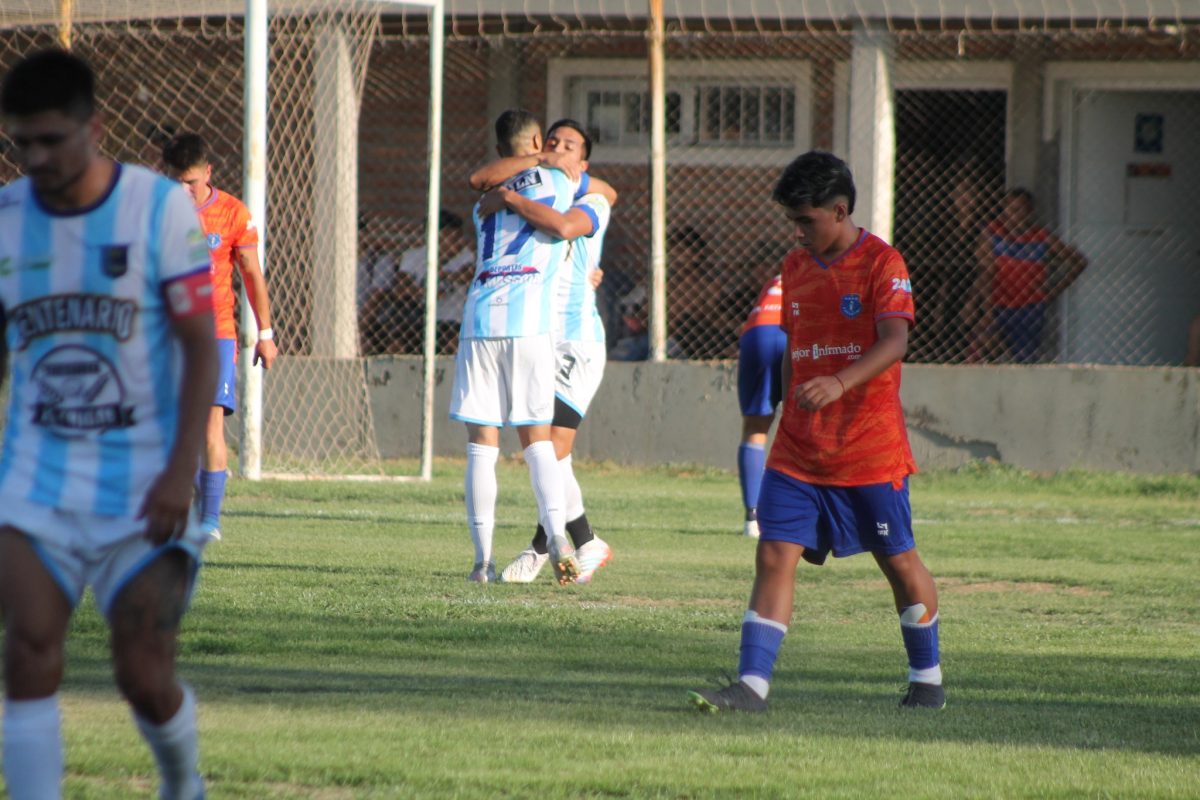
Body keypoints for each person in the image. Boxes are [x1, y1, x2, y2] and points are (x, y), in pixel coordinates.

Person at [0, 49, 218, 798]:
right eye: (20, 143)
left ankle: (184, 783)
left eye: (50, 140)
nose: (35, 158)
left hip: (144, 487)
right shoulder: (5, 221)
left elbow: (200, 349)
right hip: (35, 483)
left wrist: (180, 470)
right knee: (29, 653)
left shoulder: (157, 209)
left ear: (92, 127)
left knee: (141, 673)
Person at [689, 151, 945, 713]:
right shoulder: (795, 266)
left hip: (868, 450)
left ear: (840, 208)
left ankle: (927, 680)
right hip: (798, 449)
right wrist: (786, 406)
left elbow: (895, 341)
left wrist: (840, 381)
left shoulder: (884, 262)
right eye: (792, 222)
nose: (798, 233)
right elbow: (792, 346)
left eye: (807, 221)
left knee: (898, 561)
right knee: (775, 554)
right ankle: (752, 687)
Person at [472, 119, 618, 585]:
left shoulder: (590, 200)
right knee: (547, 452)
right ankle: (583, 540)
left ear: (584, 163)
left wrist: (511, 198)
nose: (557, 149)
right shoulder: (542, 190)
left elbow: (564, 226)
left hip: (578, 342)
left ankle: (543, 549)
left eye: (569, 145)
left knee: (550, 448)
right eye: (551, 142)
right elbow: (484, 181)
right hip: (539, 336)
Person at [449, 109, 592, 585]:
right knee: (537, 442)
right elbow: (575, 205)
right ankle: (557, 539)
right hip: (528, 322)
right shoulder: (556, 181)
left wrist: (510, 185)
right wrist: (552, 159)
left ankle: (481, 563)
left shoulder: (484, 201)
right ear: (537, 141)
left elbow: (483, 178)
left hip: (478, 320)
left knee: (480, 447)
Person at [161, 131, 278, 539]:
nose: (184, 190)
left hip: (216, 333)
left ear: (208, 173)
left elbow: (251, 274)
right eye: (176, 181)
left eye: (190, 182)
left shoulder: (232, 213)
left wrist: (265, 332)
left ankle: (209, 520)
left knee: (211, 425)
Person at [967, 188, 1087, 363]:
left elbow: (1078, 262)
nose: (1013, 215)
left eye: (1019, 209)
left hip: (1029, 308)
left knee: (1025, 360)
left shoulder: (1040, 237)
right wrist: (984, 308)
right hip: (998, 305)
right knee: (982, 353)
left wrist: (1053, 291)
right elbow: (985, 272)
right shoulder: (993, 233)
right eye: (1009, 209)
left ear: (1029, 212)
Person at [736, 274, 786, 539]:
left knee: (755, 427)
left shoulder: (779, 276)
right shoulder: (827, 266)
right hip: (792, 332)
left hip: (758, 332)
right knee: (808, 425)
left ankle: (752, 519)